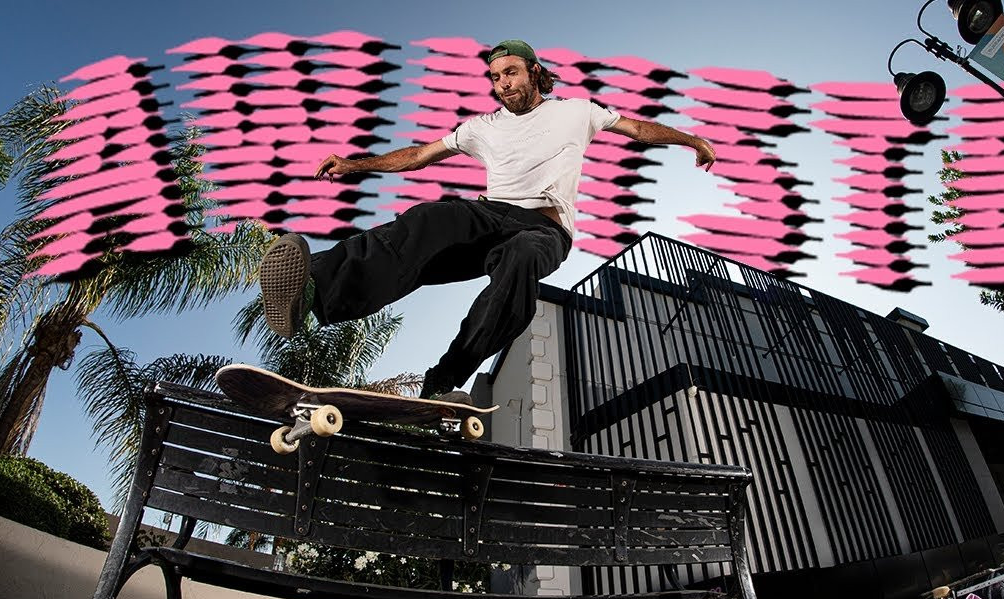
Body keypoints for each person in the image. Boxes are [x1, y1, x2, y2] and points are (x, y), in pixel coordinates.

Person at [257, 39, 716, 403]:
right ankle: (315, 287)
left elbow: (638, 129)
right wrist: (355, 165)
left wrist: (690, 138)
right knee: (432, 217)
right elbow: (418, 155)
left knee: (520, 263)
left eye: (511, 73)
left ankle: (443, 381)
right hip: (488, 214)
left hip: (545, 229)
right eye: (495, 78)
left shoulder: (579, 111)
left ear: (534, 71)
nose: (503, 85)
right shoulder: (481, 126)